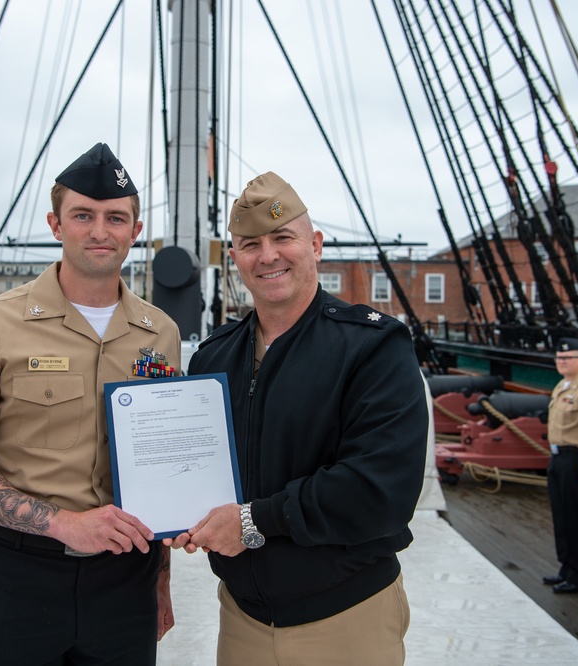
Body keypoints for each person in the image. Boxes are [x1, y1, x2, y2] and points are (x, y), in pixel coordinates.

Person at [0, 143, 181, 665]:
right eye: (83, 215)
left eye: (116, 218)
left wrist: (160, 580)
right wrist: (63, 524)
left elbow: (160, 471)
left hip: (125, 578)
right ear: (56, 225)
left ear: (136, 230)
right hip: (13, 578)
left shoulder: (161, 333)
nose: (100, 231)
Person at [166, 172, 428, 666]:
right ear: (234, 259)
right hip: (241, 620)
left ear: (316, 245)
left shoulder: (372, 348)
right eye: (249, 244)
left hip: (347, 619)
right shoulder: (212, 361)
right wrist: (179, 512)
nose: (267, 256)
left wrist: (248, 522)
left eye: (282, 238)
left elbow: (380, 492)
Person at [543, 337, 578, 594]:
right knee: (562, 516)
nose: (562, 362)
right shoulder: (562, 385)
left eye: (567, 358)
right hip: (558, 458)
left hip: (575, 458)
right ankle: (566, 568)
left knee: (575, 519)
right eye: (559, 358)